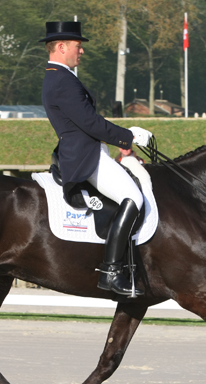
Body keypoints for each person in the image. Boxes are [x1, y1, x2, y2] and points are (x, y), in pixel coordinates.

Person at [40, 21, 153, 296]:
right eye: (78, 47)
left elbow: (89, 122)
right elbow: (90, 123)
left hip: (89, 151)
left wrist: (121, 140)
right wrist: (129, 137)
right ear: (62, 46)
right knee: (134, 198)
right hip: (84, 158)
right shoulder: (61, 80)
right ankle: (112, 272)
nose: (82, 52)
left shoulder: (61, 76)